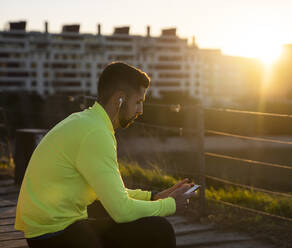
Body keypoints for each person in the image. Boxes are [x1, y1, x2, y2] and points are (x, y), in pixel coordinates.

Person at [15, 62, 196, 248]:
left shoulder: (88, 121)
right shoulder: (96, 133)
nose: (140, 111)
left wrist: (154, 196)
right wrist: (171, 205)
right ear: (119, 99)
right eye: (138, 102)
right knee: (159, 230)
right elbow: (122, 210)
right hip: (54, 236)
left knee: (107, 208)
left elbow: (112, 194)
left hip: (44, 231)